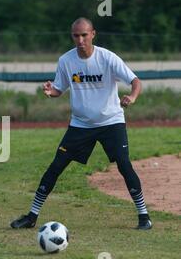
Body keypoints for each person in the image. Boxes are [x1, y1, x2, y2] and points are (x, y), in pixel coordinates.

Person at [11, 17, 152, 231]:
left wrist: (132, 97)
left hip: (111, 122)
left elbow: (135, 81)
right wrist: (52, 92)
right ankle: (31, 216)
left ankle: (144, 216)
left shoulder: (107, 58)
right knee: (56, 166)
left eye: (84, 35)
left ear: (93, 34)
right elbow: (59, 88)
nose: (80, 40)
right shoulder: (66, 61)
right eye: (76, 35)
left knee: (124, 165)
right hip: (80, 125)